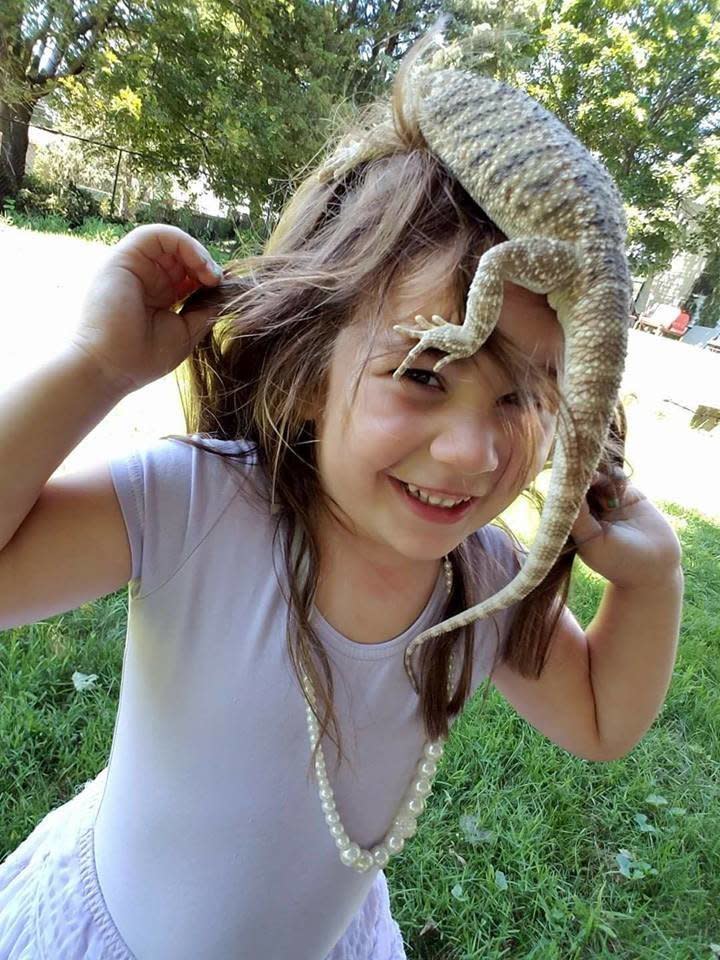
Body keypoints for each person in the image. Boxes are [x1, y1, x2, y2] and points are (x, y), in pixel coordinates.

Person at [0, 27, 683, 960]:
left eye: (522, 396)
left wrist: (650, 583)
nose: (471, 450)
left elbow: (602, 718)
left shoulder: (480, 579)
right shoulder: (198, 508)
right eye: (424, 372)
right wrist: (95, 368)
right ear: (312, 367)